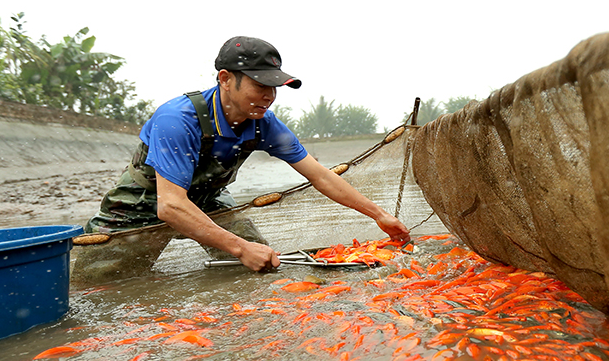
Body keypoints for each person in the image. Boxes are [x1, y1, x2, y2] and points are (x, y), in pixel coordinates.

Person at [79, 36, 409, 277]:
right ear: (225, 79)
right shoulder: (177, 119)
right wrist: (238, 248)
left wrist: (378, 215)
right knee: (100, 283)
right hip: (141, 205)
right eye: (259, 85)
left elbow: (320, 176)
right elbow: (170, 205)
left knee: (261, 265)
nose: (268, 97)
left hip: (207, 202)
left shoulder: (263, 124)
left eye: (274, 87)